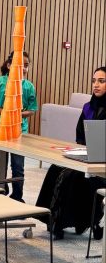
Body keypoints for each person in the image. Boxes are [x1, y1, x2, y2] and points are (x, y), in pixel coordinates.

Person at [36, 66, 106, 240]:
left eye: (101, 81)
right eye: (94, 81)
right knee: (56, 168)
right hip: (87, 155)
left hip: (102, 165)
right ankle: (50, 219)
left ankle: (64, 222)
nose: (96, 85)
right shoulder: (88, 107)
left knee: (69, 175)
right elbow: (80, 134)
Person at [0, 51, 38, 201]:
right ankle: (0, 192)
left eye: (26, 65)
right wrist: (7, 112)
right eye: (19, 65)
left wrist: (17, 115)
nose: (23, 68)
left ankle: (17, 197)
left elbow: (32, 110)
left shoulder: (29, 87)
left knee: (18, 166)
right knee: (0, 164)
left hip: (19, 132)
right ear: (9, 65)